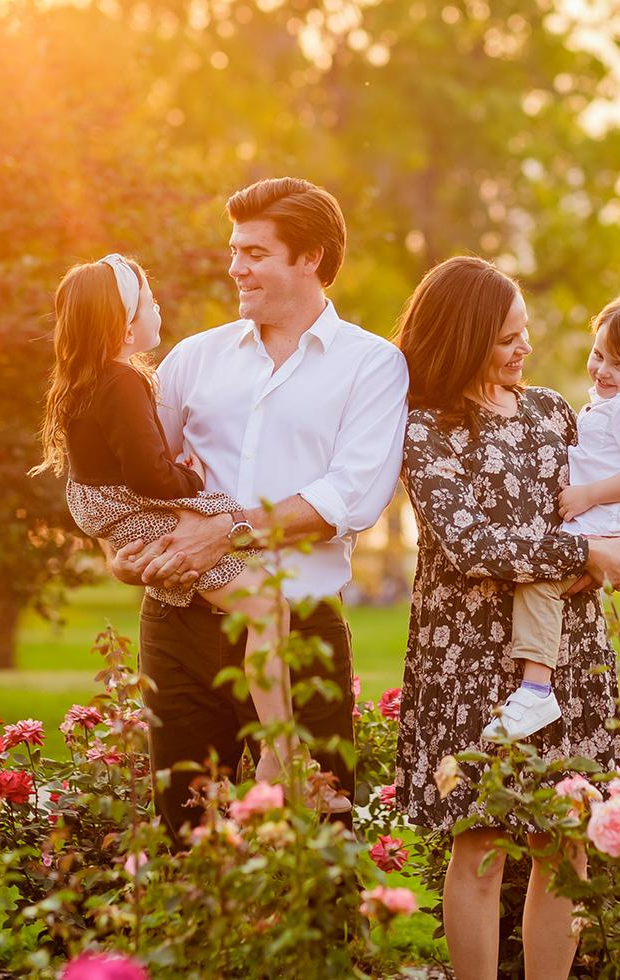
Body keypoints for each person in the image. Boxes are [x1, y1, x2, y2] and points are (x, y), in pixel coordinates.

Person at [108, 177, 408, 836]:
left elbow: (351, 493)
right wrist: (125, 556)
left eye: (255, 253)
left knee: (316, 835)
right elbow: (134, 477)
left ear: (310, 259)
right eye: (234, 249)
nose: (234, 267)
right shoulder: (195, 358)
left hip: (301, 627)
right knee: (187, 830)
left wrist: (228, 530)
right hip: (180, 624)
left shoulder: (372, 365)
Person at [390, 256, 620, 980]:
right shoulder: (425, 426)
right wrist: (583, 553)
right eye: (508, 337)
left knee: (563, 840)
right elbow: (469, 544)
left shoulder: (552, 412)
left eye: (524, 333)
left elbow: (615, 502)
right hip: (467, 655)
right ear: (466, 336)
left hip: (567, 652)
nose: (524, 348)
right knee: (478, 839)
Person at [29, 252, 341, 809]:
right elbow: (148, 472)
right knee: (267, 607)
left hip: (112, 508)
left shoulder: (86, 379)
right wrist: (188, 480)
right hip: (135, 505)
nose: (159, 308)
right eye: (149, 301)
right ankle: (280, 754)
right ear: (126, 323)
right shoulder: (122, 380)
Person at [483, 293, 620, 740]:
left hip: (604, 523)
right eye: (599, 355)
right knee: (550, 584)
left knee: (540, 582)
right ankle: (536, 686)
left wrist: (588, 495)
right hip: (602, 523)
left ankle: (535, 689)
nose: (603, 371)